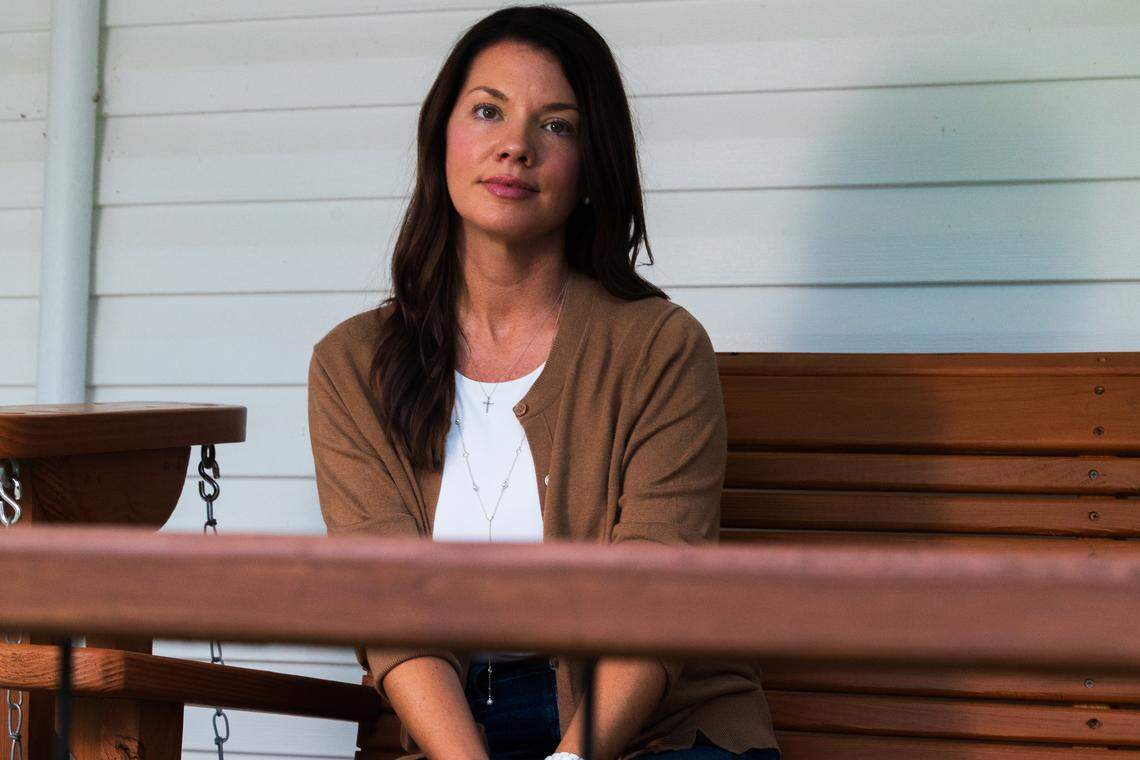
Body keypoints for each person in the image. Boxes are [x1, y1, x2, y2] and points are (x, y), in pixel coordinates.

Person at [307, 5, 780, 759]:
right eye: (488, 110)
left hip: (644, 731)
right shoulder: (353, 365)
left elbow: (654, 607)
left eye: (556, 125)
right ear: (442, 140)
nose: (515, 147)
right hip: (447, 725)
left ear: (593, 166)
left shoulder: (659, 349)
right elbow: (390, 612)